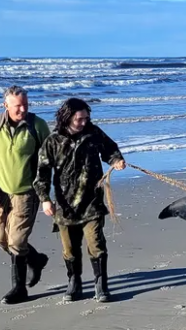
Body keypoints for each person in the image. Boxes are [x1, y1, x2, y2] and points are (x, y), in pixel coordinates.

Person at [34, 97, 126, 303]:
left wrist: (117, 160)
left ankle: (101, 284)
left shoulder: (93, 133)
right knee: (69, 249)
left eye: (86, 117)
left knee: (96, 243)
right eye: (79, 119)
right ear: (67, 117)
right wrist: (44, 199)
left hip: (92, 201)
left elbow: (110, 149)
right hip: (65, 205)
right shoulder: (53, 141)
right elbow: (42, 172)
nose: (84, 122)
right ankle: (74, 282)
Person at [0, 85, 51, 305]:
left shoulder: (37, 126)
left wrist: (45, 193)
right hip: (0, 194)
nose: (22, 110)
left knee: (17, 241)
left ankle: (19, 289)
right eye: (17, 106)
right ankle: (36, 259)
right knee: (1, 239)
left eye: (25, 105)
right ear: (6, 105)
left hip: (27, 193)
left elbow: (48, 161)